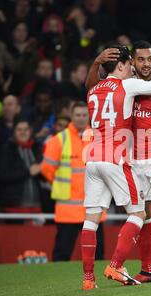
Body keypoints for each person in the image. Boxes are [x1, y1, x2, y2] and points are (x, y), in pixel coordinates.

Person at [85, 42, 151, 283]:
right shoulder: (125, 87)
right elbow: (94, 88)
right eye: (141, 60)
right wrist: (96, 62)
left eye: (150, 59)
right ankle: (148, 269)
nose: (147, 64)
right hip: (133, 159)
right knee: (144, 214)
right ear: (132, 63)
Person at [41, 101, 106, 262]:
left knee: (98, 254)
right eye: (77, 115)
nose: (81, 118)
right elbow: (46, 170)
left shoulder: (98, 139)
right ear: (71, 115)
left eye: (84, 115)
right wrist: (60, 187)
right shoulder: (59, 140)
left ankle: (99, 283)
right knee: (62, 254)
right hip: (68, 210)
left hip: (93, 206)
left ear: (89, 116)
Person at [0, 118, 43, 215]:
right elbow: (2, 175)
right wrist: (28, 172)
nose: (23, 132)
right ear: (14, 132)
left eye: (26, 129)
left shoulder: (37, 148)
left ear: (30, 131)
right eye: (19, 130)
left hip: (37, 205)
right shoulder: (6, 149)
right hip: (13, 206)